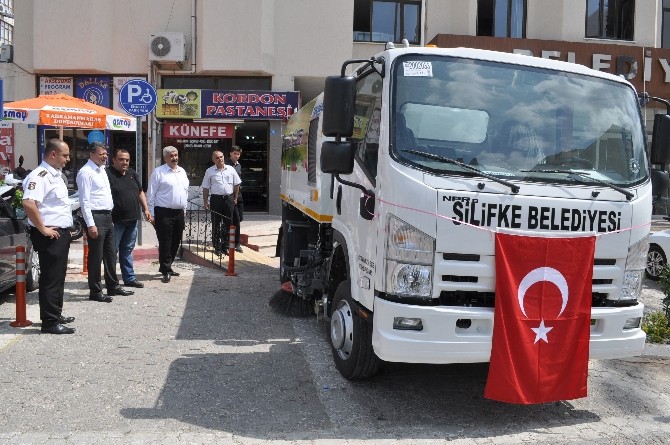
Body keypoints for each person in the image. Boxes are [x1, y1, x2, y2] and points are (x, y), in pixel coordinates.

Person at [22, 139, 75, 334]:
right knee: (51, 278)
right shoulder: (40, 176)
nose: (68, 159)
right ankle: (50, 322)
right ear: (53, 155)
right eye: (65, 155)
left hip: (59, 232)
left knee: (58, 276)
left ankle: (55, 313)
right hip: (49, 234)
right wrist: (43, 229)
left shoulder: (55, 175)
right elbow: (29, 203)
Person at [77, 142, 134, 303]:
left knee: (110, 253)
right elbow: (85, 201)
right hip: (95, 217)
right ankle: (95, 290)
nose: (105, 156)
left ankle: (113, 286)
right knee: (96, 256)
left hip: (108, 216)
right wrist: (90, 224)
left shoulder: (101, 170)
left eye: (106, 154)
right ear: (92, 154)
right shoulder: (86, 172)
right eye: (101, 154)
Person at [107, 149, 153, 288]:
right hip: (115, 221)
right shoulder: (107, 174)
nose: (124, 162)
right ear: (114, 159)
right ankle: (112, 281)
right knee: (112, 252)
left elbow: (140, 192)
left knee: (127, 250)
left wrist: (145, 209)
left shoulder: (132, 174)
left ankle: (129, 278)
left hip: (132, 220)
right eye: (121, 159)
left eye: (127, 160)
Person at [147, 146, 189, 283]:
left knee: (176, 241)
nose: (174, 158)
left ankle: (169, 266)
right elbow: (151, 194)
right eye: (171, 156)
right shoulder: (159, 172)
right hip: (163, 212)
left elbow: (185, 192)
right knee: (165, 241)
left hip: (179, 212)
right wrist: (151, 213)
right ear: (165, 158)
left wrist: (185, 210)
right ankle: (165, 269)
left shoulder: (182, 171)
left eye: (176, 155)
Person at [201, 150, 241, 256]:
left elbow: (237, 184)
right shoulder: (209, 171)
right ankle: (217, 246)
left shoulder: (231, 169)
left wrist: (235, 198)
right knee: (216, 223)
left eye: (221, 157)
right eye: (217, 158)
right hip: (216, 200)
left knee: (228, 223)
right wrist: (205, 201)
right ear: (213, 160)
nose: (220, 159)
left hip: (229, 199)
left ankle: (225, 246)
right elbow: (205, 188)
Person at [228, 146, 244, 252]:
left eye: (238, 154)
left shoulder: (238, 165)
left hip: (239, 196)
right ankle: (236, 243)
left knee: (240, 218)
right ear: (230, 154)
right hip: (230, 196)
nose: (236, 156)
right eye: (235, 153)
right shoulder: (226, 165)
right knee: (235, 219)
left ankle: (234, 241)